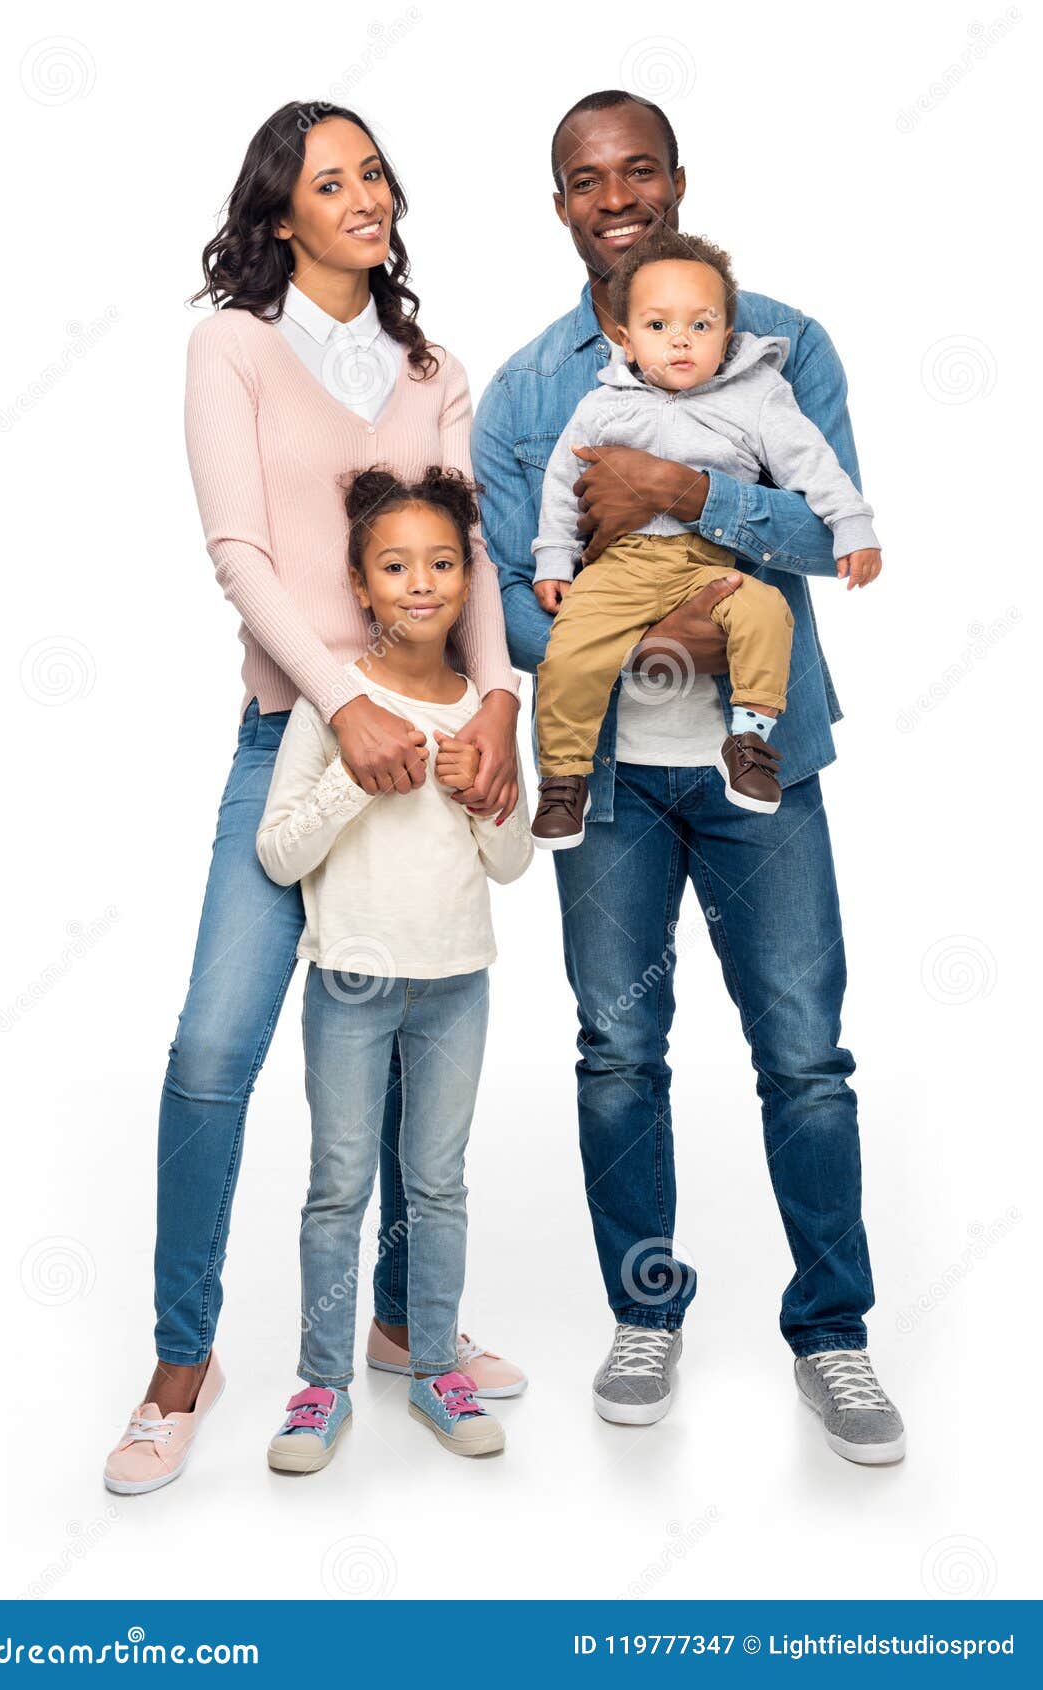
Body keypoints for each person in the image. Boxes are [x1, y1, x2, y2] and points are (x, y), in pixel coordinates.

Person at [473, 88, 905, 1464]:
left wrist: (680, 499)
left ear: (674, 178)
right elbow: (510, 598)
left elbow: (820, 523)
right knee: (616, 1051)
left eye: (640, 169)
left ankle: (833, 1334)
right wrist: (651, 623)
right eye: (588, 179)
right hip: (606, 782)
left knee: (806, 1054)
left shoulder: (781, 347)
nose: (619, 195)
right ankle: (645, 1307)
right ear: (562, 207)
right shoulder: (532, 390)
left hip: (757, 766)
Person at [104, 101, 524, 1498]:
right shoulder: (231, 344)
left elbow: (463, 552)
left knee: (416, 1018)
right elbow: (239, 549)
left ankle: (405, 1321)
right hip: (296, 736)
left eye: (374, 173)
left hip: (434, 738)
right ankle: (182, 1360)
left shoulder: (433, 366)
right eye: (328, 181)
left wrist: (499, 707)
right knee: (215, 1046)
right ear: (281, 214)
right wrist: (341, 702)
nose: (365, 196)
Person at [256, 469, 532, 1469]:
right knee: (339, 1182)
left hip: (458, 980)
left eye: (443, 562)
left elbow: (512, 863)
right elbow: (279, 853)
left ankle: (433, 1375)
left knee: (438, 1183)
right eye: (396, 565)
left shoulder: (487, 709)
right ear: (361, 586)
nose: (423, 581)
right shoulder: (336, 709)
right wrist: (351, 782)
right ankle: (320, 1386)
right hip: (352, 984)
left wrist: (482, 799)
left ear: (468, 580)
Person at [530, 225, 881, 841]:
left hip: (709, 562)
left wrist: (852, 524)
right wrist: (556, 559)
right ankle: (565, 780)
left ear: (728, 332)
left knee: (767, 610)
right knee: (570, 649)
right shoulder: (602, 405)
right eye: (658, 326)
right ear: (626, 338)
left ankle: (747, 740)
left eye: (701, 324)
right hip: (620, 564)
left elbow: (812, 462)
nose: (681, 342)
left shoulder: (759, 398)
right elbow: (564, 483)